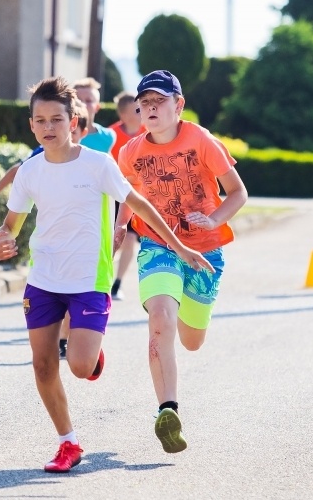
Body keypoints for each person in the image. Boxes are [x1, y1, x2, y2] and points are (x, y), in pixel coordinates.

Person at [0, 76, 212, 473]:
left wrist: (180, 246)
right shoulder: (30, 172)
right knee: (42, 365)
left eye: (56, 119)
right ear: (31, 125)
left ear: (74, 121)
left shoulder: (98, 165)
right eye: (39, 120)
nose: (48, 128)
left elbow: (140, 205)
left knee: (80, 366)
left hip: (89, 281)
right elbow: (10, 226)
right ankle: (67, 442)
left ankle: (89, 356)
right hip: (43, 279)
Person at [115, 70, 248, 454]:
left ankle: (189, 330)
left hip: (205, 251)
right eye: (146, 103)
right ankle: (167, 410)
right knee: (159, 317)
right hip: (158, 245)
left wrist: (215, 219)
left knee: (191, 340)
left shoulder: (201, 141)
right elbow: (130, 194)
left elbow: (238, 193)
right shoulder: (131, 152)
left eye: (160, 101)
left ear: (179, 105)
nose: (151, 109)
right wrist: (122, 224)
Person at [0, 100, 91, 359]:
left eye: (61, 122)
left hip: (83, 249)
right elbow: (17, 171)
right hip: (48, 239)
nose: (53, 129)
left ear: (78, 128)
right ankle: (62, 340)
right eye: (44, 121)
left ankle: (73, 340)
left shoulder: (92, 162)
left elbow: (124, 194)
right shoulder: (41, 156)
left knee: (75, 297)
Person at [108, 91, 145, 300]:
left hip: (136, 196)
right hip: (113, 195)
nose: (142, 112)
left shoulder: (149, 133)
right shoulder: (111, 136)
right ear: (123, 115)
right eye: (137, 110)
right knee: (112, 239)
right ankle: (103, 278)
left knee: (131, 238)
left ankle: (117, 284)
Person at [73, 77, 116, 154]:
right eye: (78, 100)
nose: (82, 104)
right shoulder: (63, 134)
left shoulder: (107, 137)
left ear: (97, 107)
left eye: (88, 101)